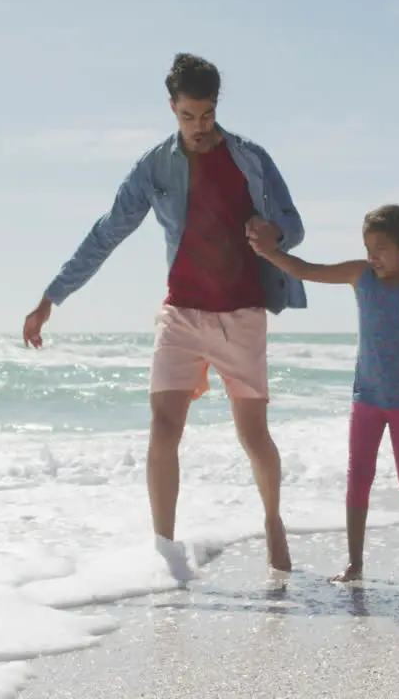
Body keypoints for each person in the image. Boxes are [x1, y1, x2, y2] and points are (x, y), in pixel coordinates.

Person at [22, 53, 307, 574]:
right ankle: (164, 552)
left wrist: (275, 234)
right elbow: (108, 231)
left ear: (217, 106)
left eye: (206, 115)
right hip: (180, 314)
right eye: (187, 116)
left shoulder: (251, 158)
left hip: (241, 314)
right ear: (172, 107)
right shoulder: (155, 167)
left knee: (252, 434)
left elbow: (293, 223)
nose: (198, 127)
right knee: (163, 426)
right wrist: (52, 296)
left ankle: (272, 520)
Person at [248, 204, 399, 582]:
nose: (372, 256)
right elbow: (308, 271)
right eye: (368, 247)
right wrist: (270, 253)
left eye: (381, 247)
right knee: (357, 477)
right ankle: (356, 563)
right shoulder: (360, 275)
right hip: (366, 397)